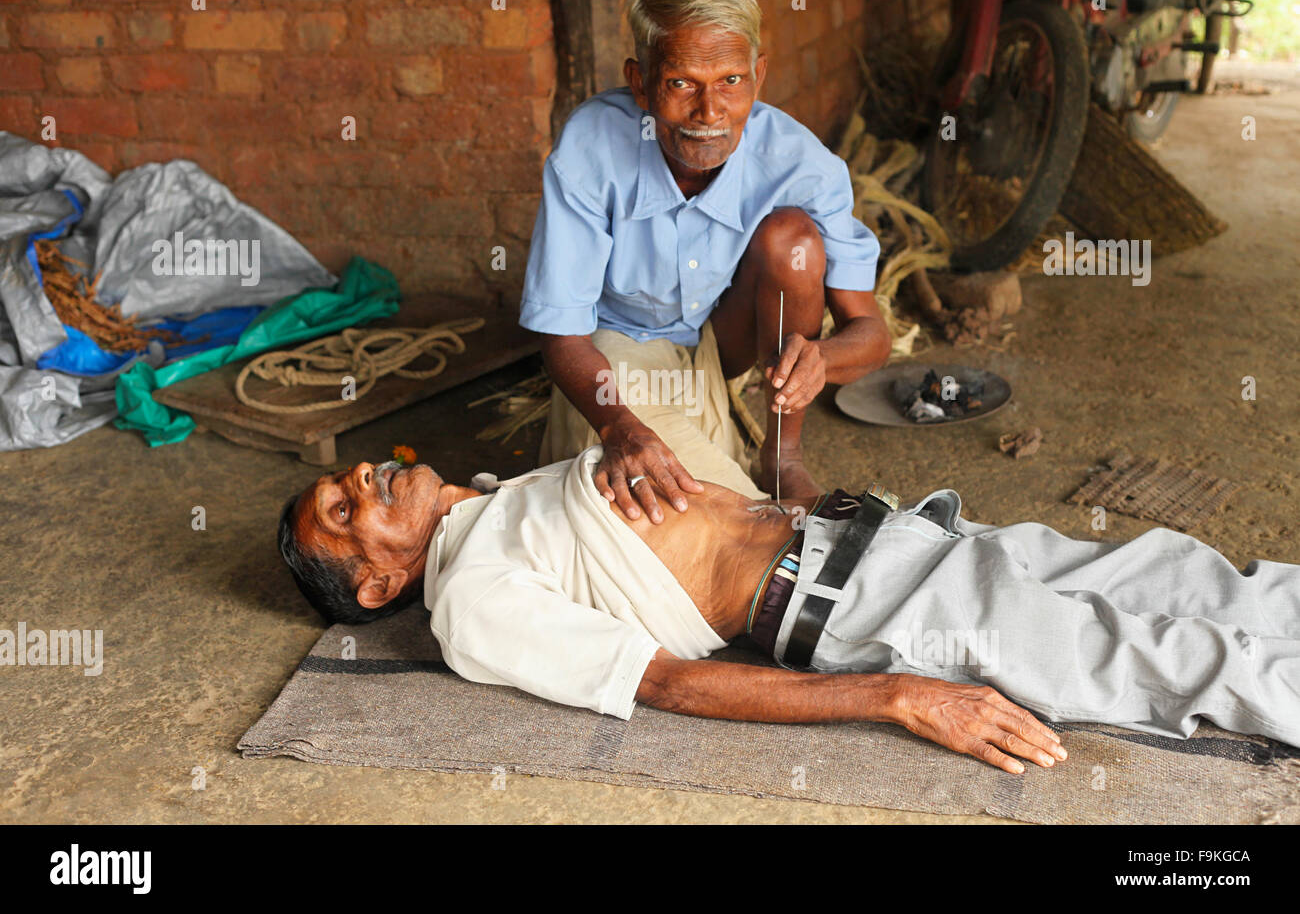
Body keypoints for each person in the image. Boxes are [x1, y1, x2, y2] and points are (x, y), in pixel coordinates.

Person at [278, 448, 1300, 775]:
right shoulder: (470, 601)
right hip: (866, 602)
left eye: (352, 473)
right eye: (344, 506)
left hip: (895, 533)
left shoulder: (497, 495)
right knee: (1182, 661)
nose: (364, 477)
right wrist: (897, 693)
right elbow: (665, 681)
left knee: (1197, 574)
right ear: (376, 584)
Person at [521, 0, 891, 519]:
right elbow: (563, 339)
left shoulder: (799, 163)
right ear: (641, 82)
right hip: (620, 345)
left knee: (794, 240)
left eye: (731, 82)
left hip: (727, 345)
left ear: (757, 77)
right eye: (681, 84)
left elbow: (872, 334)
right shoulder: (591, 148)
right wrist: (620, 426)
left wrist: (820, 358)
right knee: (651, 503)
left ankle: (781, 455)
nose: (709, 112)